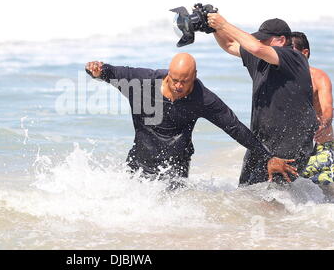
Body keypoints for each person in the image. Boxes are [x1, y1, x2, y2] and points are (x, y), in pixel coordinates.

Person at [85, 53, 297, 188]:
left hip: (175, 170)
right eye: (175, 80)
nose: (178, 86)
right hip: (140, 164)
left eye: (184, 81)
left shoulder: (203, 99)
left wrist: (267, 156)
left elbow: (233, 126)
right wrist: (96, 70)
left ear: (194, 75)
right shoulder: (141, 82)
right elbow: (110, 71)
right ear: (168, 74)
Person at [206, 13, 318, 185]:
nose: (259, 43)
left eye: (264, 40)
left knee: (276, 201)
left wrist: (224, 24)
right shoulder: (259, 58)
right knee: (246, 193)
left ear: (281, 40)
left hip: (290, 145)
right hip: (262, 144)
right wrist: (213, 28)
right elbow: (230, 45)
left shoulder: (294, 57)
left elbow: (256, 48)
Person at [291, 31, 334, 185]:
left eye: (292, 53)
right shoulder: (281, 80)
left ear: (305, 53)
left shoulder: (318, 77)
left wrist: (324, 124)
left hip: (321, 146)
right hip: (295, 148)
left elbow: (328, 108)